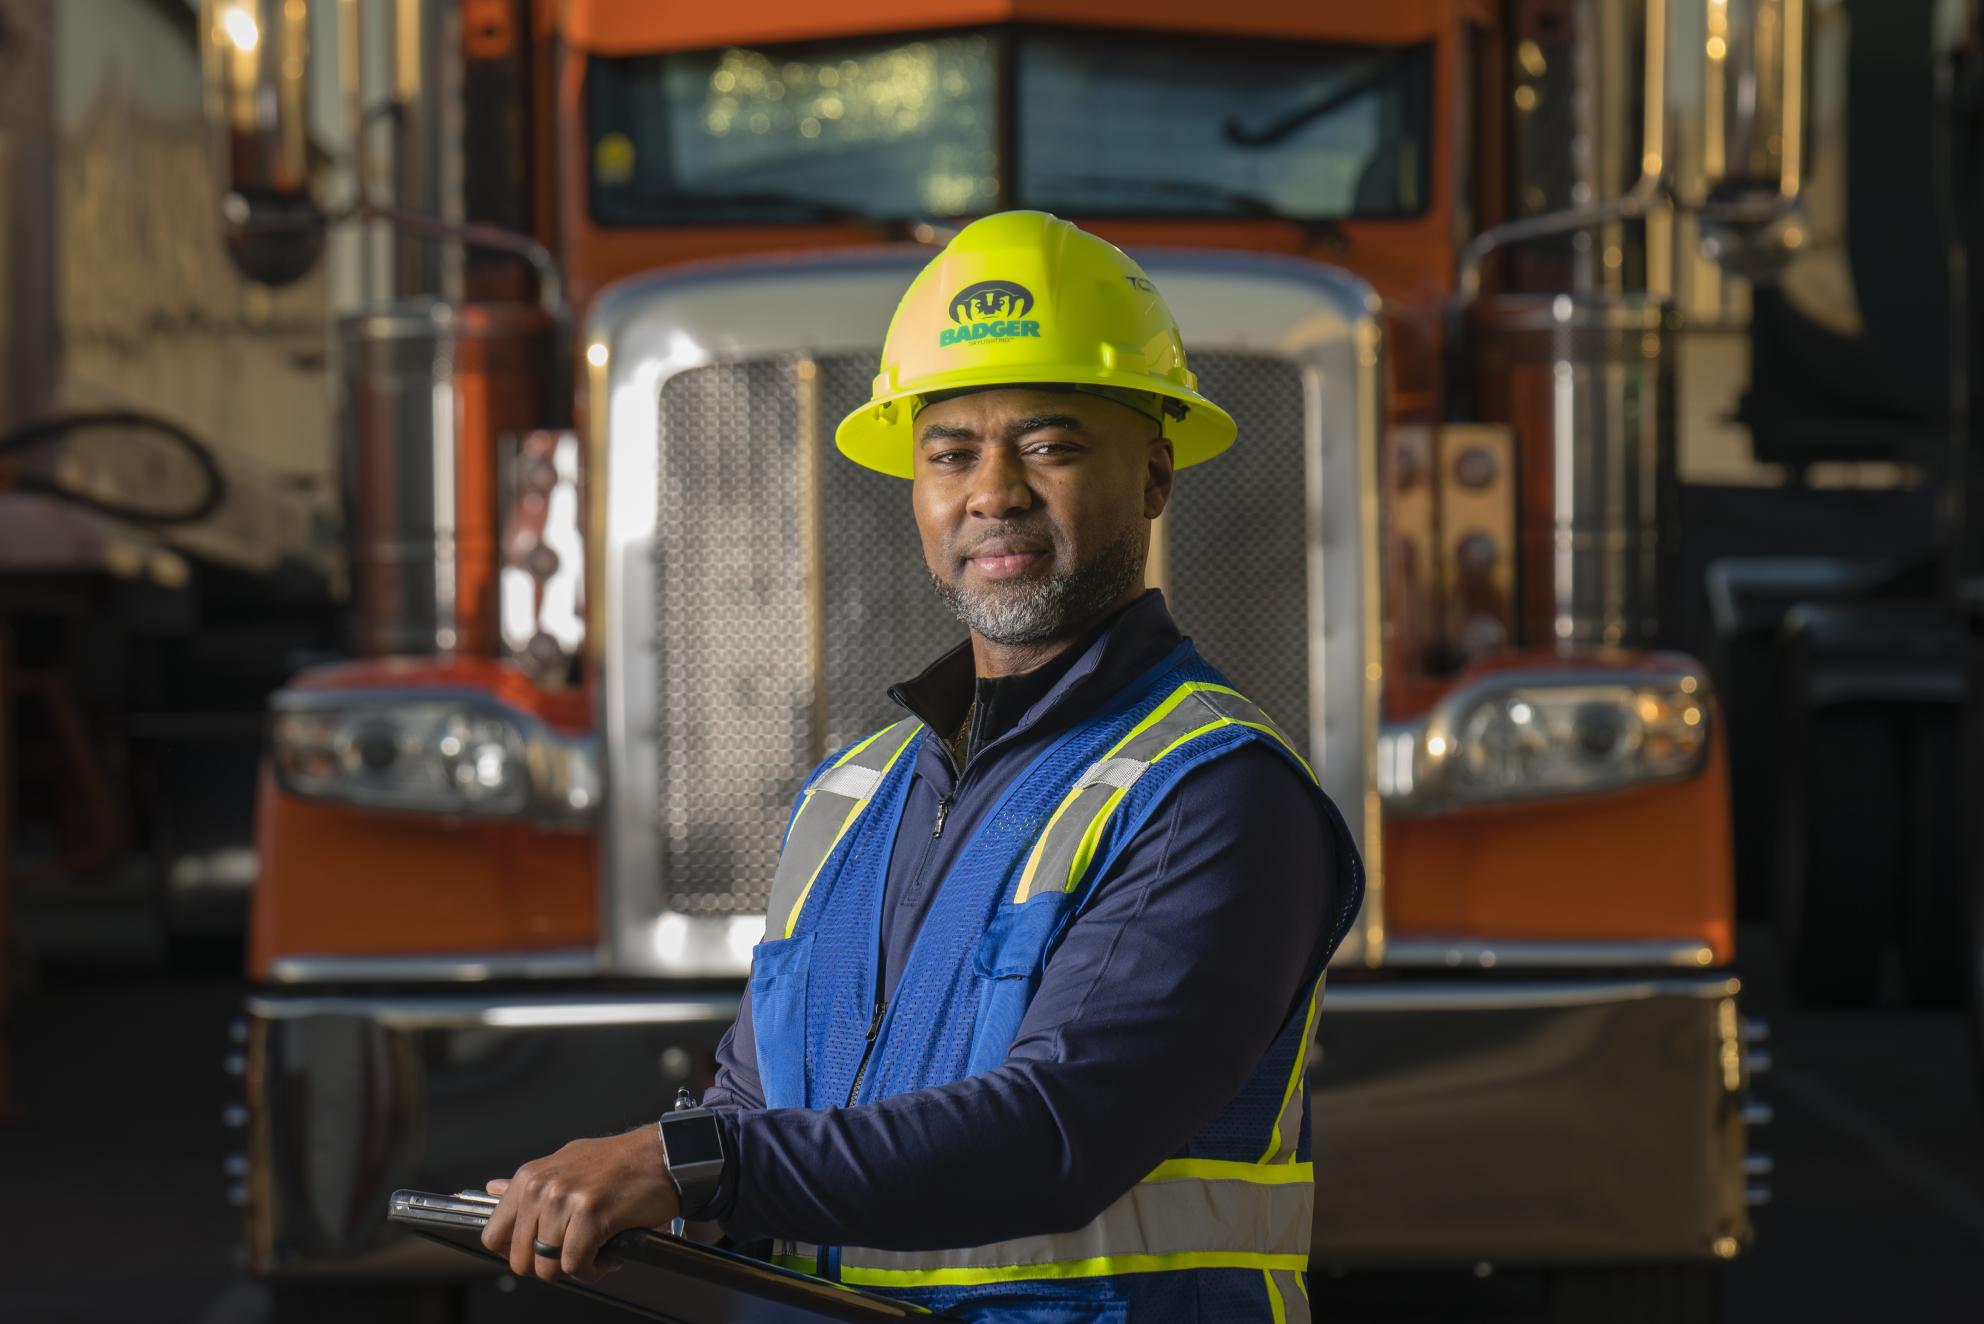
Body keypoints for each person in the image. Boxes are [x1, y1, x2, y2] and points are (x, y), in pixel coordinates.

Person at [480, 210, 1364, 1322]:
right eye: (950, 452)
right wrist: (642, 1196)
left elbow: (1059, 1130)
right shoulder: (853, 796)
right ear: (915, 491)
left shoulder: (1213, 793)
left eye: (1048, 444)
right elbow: (756, 1103)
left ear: (1153, 477)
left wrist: (687, 1165)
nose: (993, 490)